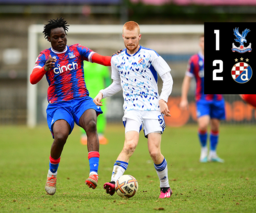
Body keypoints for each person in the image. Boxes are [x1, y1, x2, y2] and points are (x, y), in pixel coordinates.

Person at [30, 18, 112, 195]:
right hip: (59, 105)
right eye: (56, 37)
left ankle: (93, 173)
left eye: (63, 36)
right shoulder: (45, 56)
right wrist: (45, 69)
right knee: (60, 136)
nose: (60, 40)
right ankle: (52, 173)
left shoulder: (77, 50)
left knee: (91, 124)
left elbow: (103, 60)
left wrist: (119, 59)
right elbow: (32, 78)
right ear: (50, 39)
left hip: (81, 100)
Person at [94, 21, 174, 199]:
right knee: (129, 145)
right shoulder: (117, 59)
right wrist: (102, 93)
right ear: (123, 37)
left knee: (154, 152)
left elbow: (167, 78)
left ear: (139, 37)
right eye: (127, 38)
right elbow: (116, 84)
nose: (130, 41)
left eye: (133, 38)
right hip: (132, 108)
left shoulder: (150, 55)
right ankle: (114, 182)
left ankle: (165, 187)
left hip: (152, 108)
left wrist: (163, 99)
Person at [180, 34, 225, 163]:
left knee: (215, 125)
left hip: (217, 98)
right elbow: (187, 79)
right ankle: (204, 150)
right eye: (203, 41)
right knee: (203, 123)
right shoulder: (194, 60)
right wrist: (184, 98)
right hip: (202, 98)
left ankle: (213, 153)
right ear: (200, 44)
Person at [80, 61, 111, 145]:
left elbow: (107, 79)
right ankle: (84, 136)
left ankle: (100, 135)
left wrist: (108, 92)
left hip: (99, 94)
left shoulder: (102, 66)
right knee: (84, 115)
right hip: (85, 94)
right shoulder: (83, 65)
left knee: (100, 114)